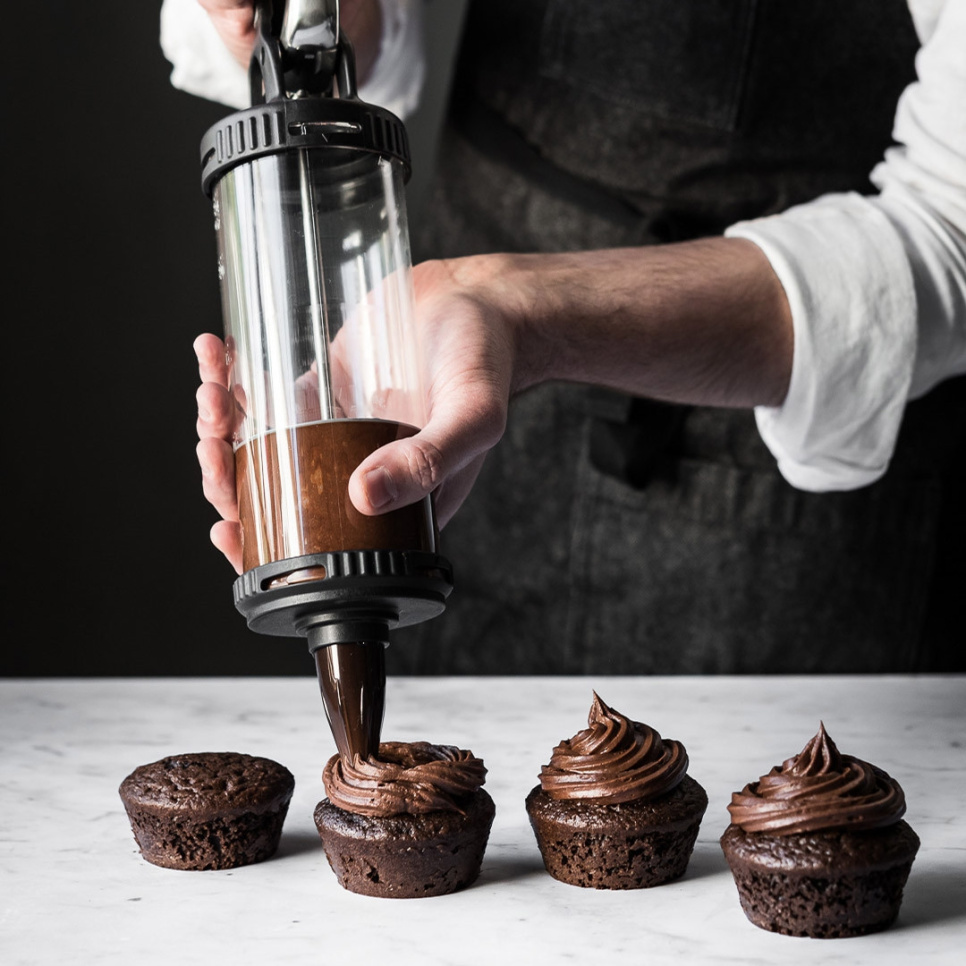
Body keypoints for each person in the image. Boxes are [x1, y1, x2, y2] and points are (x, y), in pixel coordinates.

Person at [166, 0, 966, 673]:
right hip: (436, 381)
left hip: (784, 482)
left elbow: (951, 224)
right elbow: (357, 29)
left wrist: (518, 308)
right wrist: (321, 19)